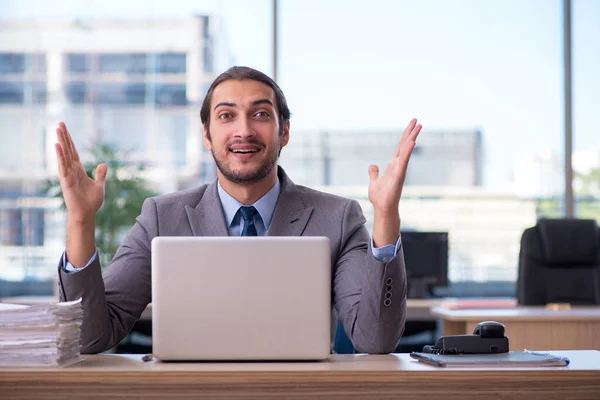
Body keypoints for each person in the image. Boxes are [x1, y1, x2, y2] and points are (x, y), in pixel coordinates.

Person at [55, 66, 422, 354]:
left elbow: (375, 339)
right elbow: (90, 338)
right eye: (227, 116)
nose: (243, 131)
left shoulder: (338, 218)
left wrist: (386, 216)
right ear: (207, 134)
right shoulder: (160, 218)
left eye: (261, 114)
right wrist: (81, 220)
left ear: (285, 132)